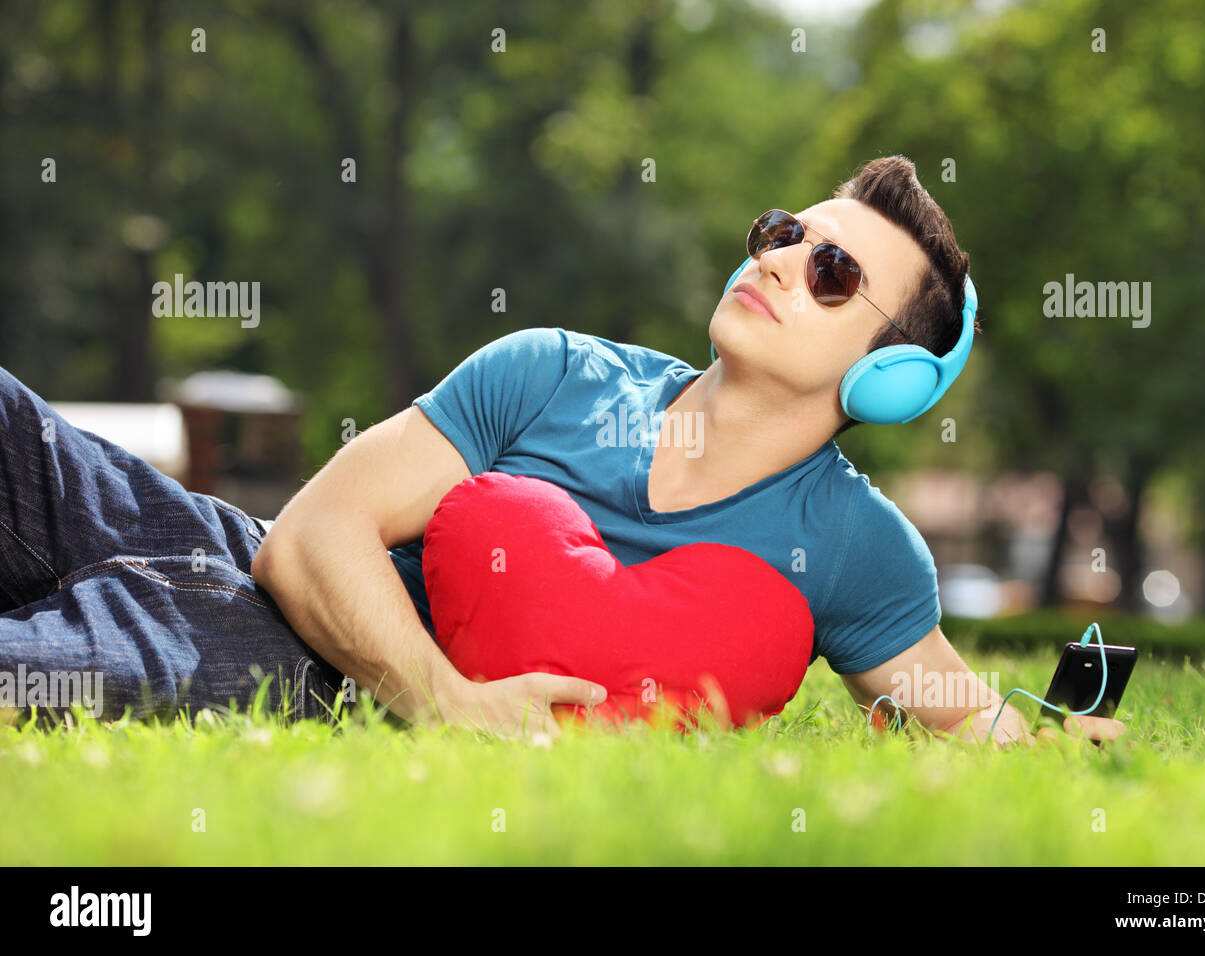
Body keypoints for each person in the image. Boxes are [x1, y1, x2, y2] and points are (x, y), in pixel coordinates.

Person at [1, 155, 1124, 748]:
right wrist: (446, 700)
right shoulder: (550, 369)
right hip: (243, 554)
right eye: (785, 233)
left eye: (831, 270)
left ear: (889, 375)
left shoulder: (852, 546)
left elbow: (969, 715)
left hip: (303, 665)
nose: (782, 260)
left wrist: (1067, 727)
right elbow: (309, 538)